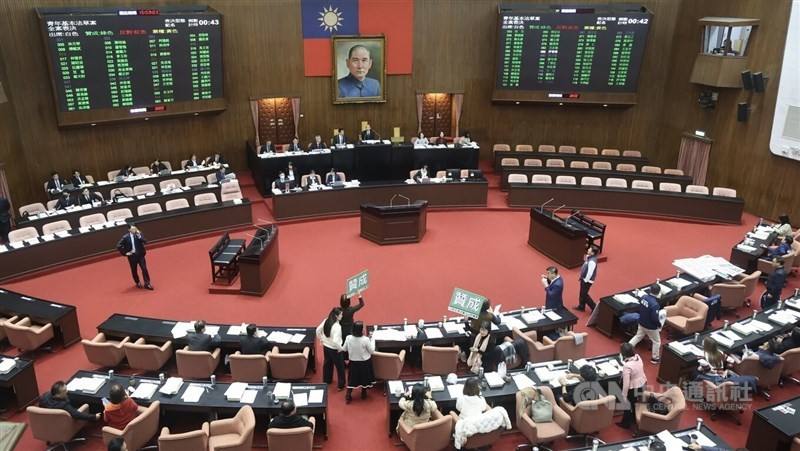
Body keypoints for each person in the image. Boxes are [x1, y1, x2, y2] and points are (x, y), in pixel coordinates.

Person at [628, 283, 663, 364]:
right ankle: (655, 358)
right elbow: (654, 318)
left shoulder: (643, 297)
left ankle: (627, 349)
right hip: (651, 327)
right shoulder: (655, 305)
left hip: (641, 322)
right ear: (658, 292)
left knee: (638, 336)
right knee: (656, 341)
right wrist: (659, 324)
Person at [343, 321, 376, 403]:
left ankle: (348, 395)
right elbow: (371, 351)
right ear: (361, 330)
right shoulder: (366, 339)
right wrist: (372, 340)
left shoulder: (348, 338)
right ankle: (363, 393)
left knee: (351, 380)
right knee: (364, 378)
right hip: (364, 363)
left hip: (353, 363)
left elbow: (344, 349)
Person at [617, 342, 647, 429]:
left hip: (633, 387)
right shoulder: (638, 357)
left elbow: (626, 384)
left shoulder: (627, 366)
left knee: (628, 404)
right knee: (634, 403)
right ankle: (634, 418)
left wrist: (624, 396)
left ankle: (625, 423)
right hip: (642, 383)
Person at [316, 307, 345, 390]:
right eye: (341, 314)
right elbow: (336, 341)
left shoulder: (326, 320)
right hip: (335, 349)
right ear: (336, 316)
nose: (342, 316)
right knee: (340, 367)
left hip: (326, 347)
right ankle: (341, 385)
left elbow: (318, 330)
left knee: (327, 364)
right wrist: (340, 348)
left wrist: (321, 339)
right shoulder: (337, 327)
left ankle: (327, 380)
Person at [116, 224, 153, 290]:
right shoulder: (125, 237)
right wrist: (125, 253)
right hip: (132, 256)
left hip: (140, 255)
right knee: (134, 270)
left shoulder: (139, 234)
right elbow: (118, 246)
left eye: (135, 228)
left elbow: (145, 241)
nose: (134, 230)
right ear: (129, 230)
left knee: (144, 268)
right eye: (133, 229)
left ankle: (147, 283)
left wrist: (139, 236)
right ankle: (137, 282)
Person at [575, 245, 599, 312]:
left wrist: (585, 280)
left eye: (589, 250)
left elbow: (590, 273)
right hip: (584, 278)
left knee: (584, 295)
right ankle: (581, 306)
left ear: (593, 253)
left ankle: (594, 308)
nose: (588, 250)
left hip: (587, 281)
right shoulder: (589, 257)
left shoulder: (592, 261)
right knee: (582, 293)